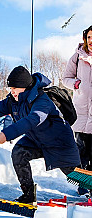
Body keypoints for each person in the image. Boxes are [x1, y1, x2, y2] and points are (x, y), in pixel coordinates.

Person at [0, 66, 81, 204]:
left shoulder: (42, 100)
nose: (12, 92)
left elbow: (32, 120)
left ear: (24, 86)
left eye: (14, 88)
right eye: (11, 89)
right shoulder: (13, 101)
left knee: (74, 174)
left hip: (59, 143)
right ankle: (28, 194)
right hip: (36, 141)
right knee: (19, 152)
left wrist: (6, 134)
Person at [62, 25, 92, 196]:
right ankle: (83, 185)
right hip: (81, 113)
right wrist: (77, 84)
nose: (91, 41)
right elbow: (65, 78)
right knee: (81, 153)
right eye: (88, 37)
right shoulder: (77, 57)